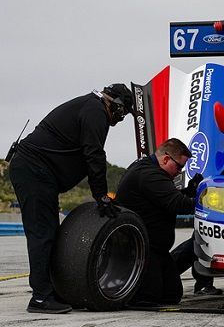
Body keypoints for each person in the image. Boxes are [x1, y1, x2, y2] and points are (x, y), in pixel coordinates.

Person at [9, 84, 134, 314]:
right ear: (114, 104)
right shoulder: (95, 111)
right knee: (42, 234)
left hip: (39, 173)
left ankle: (49, 291)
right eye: (123, 112)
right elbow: (94, 154)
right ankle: (40, 298)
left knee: (50, 232)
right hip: (33, 170)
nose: (122, 118)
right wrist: (101, 196)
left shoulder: (90, 106)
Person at [116, 138, 219, 306]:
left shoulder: (146, 168)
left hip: (155, 248)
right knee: (150, 298)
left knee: (172, 295)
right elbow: (177, 204)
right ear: (165, 159)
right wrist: (212, 202)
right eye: (178, 166)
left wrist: (190, 190)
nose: (179, 172)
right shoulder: (150, 175)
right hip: (144, 249)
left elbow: (164, 198)